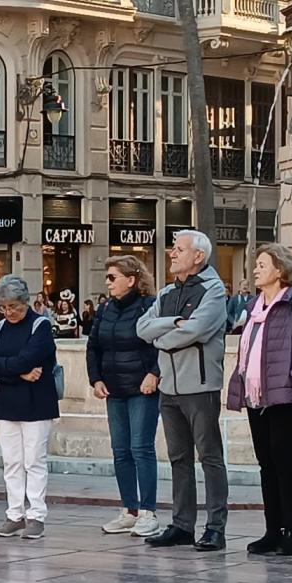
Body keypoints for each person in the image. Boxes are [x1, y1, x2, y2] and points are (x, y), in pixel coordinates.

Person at [227, 244, 292, 557]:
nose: (256, 270)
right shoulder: (252, 309)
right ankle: (272, 530)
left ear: (279, 270)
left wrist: (290, 377)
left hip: (284, 397)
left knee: (285, 461)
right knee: (266, 464)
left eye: (261, 264)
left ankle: (291, 531)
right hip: (257, 398)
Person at [136, 230, 230, 552]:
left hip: (200, 386)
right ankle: (182, 525)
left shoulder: (213, 290)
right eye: (173, 249)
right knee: (178, 458)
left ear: (198, 256)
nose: (171, 254)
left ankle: (215, 528)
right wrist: (173, 323)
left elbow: (197, 329)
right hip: (169, 387)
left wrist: (163, 334)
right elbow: (141, 328)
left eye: (179, 249)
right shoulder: (166, 293)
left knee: (210, 457)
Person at [87, 255, 162, 539]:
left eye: (112, 277)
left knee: (141, 448)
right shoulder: (105, 309)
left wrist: (154, 374)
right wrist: (95, 378)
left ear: (131, 280)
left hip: (142, 389)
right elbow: (93, 346)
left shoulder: (150, 306)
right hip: (114, 389)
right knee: (120, 451)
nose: (107, 283)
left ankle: (148, 511)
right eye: (107, 277)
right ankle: (129, 510)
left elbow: (160, 344)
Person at [0, 275, 59, 539]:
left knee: (34, 461)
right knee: (12, 462)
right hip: (8, 402)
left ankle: (36, 514)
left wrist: (3, 367)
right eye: (3, 307)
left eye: (14, 306)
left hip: (37, 403)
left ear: (26, 303)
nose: (9, 312)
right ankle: (14, 513)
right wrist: (19, 373)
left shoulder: (41, 326)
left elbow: (30, 357)